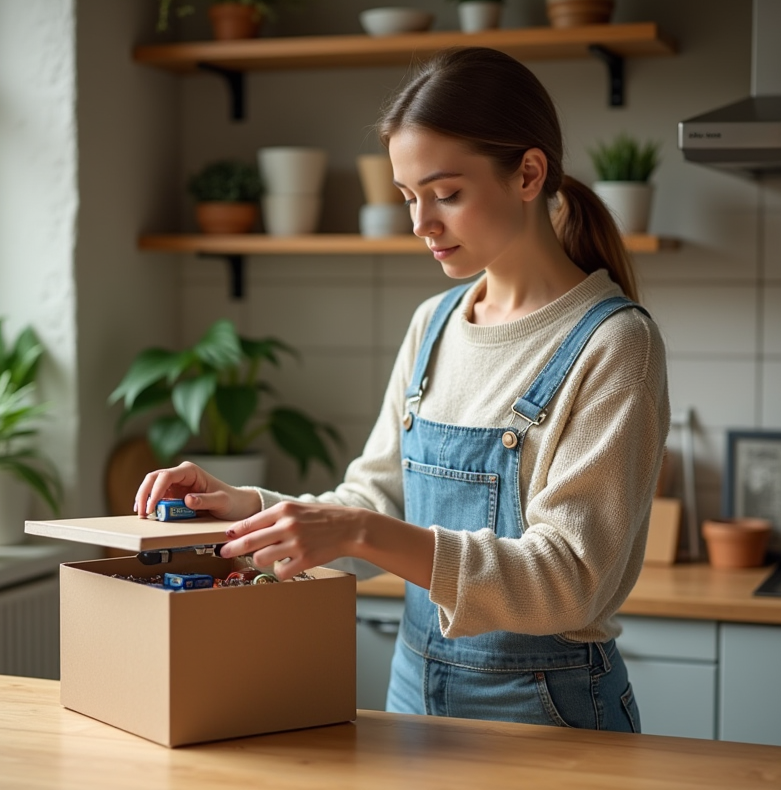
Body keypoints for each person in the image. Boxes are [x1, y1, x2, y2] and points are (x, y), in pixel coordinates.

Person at [135, 46, 669, 733]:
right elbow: (376, 502)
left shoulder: (613, 343)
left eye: (446, 194)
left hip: (544, 706)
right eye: (410, 197)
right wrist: (252, 508)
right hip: (412, 690)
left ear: (529, 173)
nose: (421, 224)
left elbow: (567, 580)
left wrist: (362, 527)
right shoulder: (434, 323)